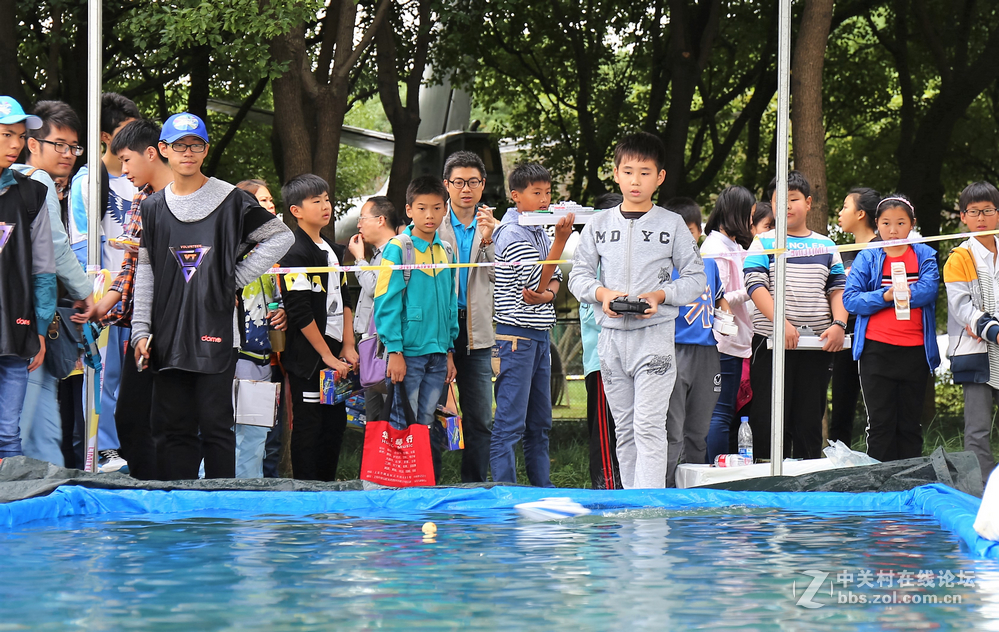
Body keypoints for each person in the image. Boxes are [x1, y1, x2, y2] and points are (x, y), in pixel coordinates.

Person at [131, 112, 293, 480]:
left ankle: (220, 518)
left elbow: (282, 236)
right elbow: (146, 270)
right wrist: (141, 329)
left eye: (196, 145)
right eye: (179, 145)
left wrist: (232, 278)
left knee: (217, 428)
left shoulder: (232, 200)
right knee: (175, 430)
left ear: (205, 149)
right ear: (163, 151)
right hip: (167, 334)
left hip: (217, 332)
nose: (188, 152)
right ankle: (180, 519)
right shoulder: (153, 207)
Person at [569, 132, 706, 489]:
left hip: (655, 339)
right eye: (628, 171)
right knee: (625, 429)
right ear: (616, 173)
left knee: (648, 425)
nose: (635, 180)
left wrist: (661, 295)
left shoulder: (672, 224)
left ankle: (650, 506)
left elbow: (695, 278)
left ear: (659, 177)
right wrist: (602, 294)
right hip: (611, 341)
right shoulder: (597, 225)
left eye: (645, 172)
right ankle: (632, 506)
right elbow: (578, 277)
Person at [90, 119, 174, 480]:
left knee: (174, 419)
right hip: (143, 322)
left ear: (151, 153)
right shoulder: (141, 198)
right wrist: (104, 303)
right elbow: (131, 263)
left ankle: (179, 501)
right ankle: (150, 494)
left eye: (126, 160)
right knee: (131, 415)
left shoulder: (198, 196)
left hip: (181, 325)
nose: (123, 171)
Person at [743, 170, 847, 461]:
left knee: (809, 419)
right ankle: (766, 480)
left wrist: (839, 324)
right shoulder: (763, 242)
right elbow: (755, 285)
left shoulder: (826, 245)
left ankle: (808, 483)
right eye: (779, 201)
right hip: (771, 344)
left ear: (809, 202)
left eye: (794, 199)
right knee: (768, 415)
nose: (787, 206)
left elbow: (838, 288)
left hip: (816, 347)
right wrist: (781, 325)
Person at [13, 100, 95, 467]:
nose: (68, 154)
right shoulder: (36, 180)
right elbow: (56, 250)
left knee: (46, 429)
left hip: (31, 317)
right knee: (23, 429)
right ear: (33, 144)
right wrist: (87, 293)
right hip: (25, 321)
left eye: (74, 146)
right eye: (58, 144)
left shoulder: (15, 180)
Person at [68, 92, 141, 473]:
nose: (131, 144)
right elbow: (81, 246)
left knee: (131, 377)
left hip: (136, 295)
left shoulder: (141, 178)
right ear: (103, 137)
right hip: (105, 295)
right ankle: (105, 447)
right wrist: (93, 299)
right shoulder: (88, 182)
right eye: (123, 134)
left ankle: (128, 443)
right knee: (103, 374)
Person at [490, 163, 573, 487]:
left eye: (548, 192)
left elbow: (553, 281)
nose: (544, 199)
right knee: (510, 423)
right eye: (536, 193)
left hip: (539, 335)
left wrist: (547, 294)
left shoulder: (538, 228)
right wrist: (560, 244)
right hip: (515, 338)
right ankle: (506, 492)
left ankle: (542, 489)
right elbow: (536, 281)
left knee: (540, 422)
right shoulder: (511, 233)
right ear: (516, 196)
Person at [843, 194, 939, 462]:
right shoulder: (868, 257)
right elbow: (850, 299)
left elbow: (929, 290)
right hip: (876, 352)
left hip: (915, 352)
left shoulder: (925, 255)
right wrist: (884, 296)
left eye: (900, 223)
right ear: (877, 225)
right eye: (886, 223)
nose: (893, 230)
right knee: (881, 425)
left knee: (910, 425)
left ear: (912, 224)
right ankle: (880, 489)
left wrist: (903, 292)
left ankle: (910, 485)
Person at [374, 176, 458, 481]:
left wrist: (449, 349)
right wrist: (394, 349)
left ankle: (418, 482)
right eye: (422, 208)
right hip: (407, 355)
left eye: (437, 208)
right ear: (409, 210)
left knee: (424, 422)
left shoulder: (446, 251)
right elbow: (385, 300)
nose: (430, 215)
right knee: (401, 421)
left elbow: (451, 302)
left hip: (438, 355)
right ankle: (396, 486)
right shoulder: (398, 248)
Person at [279, 174, 358, 481]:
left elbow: (346, 298)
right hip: (310, 360)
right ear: (296, 210)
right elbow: (299, 311)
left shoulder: (332, 250)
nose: (326, 206)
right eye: (316, 201)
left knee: (334, 424)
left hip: (337, 354)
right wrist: (326, 355)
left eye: (327, 199)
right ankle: (306, 494)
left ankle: (327, 490)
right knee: (309, 425)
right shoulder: (294, 251)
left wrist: (348, 345)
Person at [0, 96, 56, 459]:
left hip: (15, 325)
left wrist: (41, 327)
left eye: (20, 136)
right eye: (7, 135)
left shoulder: (32, 192)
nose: (16, 145)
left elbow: (44, 267)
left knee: (8, 437)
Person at [436, 150, 497, 483]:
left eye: (473, 182)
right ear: (447, 185)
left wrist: (489, 237)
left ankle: (474, 486)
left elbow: (501, 277)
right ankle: (427, 484)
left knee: (479, 418)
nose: (466, 189)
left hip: (477, 330)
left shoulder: (493, 228)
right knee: (431, 412)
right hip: (437, 330)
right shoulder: (432, 225)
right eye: (458, 182)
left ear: (483, 185)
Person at [665, 197, 729, 486]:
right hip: (673, 350)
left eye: (692, 231)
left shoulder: (710, 265)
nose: (688, 238)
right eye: (681, 232)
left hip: (707, 352)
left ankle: (697, 488)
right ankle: (664, 488)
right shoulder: (662, 268)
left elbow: (720, 298)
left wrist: (726, 317)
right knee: (672, 429)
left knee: (699, 429)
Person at [944, 181, 999, 485]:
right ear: (963, 217)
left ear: (998, 214)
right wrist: (994, 330)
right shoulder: (958, 257)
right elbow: (961, 307)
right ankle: (981, 498)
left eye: (988, 211)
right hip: (975, 354)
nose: (981, 218)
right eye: (974, 212)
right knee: (977, 430)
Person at [231, 179, 287, 479]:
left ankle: (249, 507)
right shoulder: (232, 250)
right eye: (260, 202)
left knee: (255, 437)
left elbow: (278, 301)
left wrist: (283, 314)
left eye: (270, 203)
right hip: (234, 358)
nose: (268, 208)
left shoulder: (275, 258)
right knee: (226, 436)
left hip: (265, 360)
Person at [700, 185, 755, 463]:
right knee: (720, 412)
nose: (752, 223)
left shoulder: (731, 244)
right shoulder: (715, 247)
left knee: (725, 412)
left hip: (735, 340)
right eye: (750, 215)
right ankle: (715, 472)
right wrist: (754, 287)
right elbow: (715, 297)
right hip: (724, 341)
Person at [830, 187, 880, 447]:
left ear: (861, 214)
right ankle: (839, 466)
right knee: (841, 408)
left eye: (845, 207)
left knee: (876, 409)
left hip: (873, 339)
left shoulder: (881, 249)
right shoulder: (841, 251)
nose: (840, 213)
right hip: (843, 338)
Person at [580, 192, 623, 489]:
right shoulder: (593, 264)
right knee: (605, 433)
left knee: (626, 430)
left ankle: (626, 488)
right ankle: (605, 489)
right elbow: (590, 315)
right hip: (601, 361)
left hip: (631, 360)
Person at [347, 195, 399, 423]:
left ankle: (388, 457)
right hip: (370, 345)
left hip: (385, 347)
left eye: (362, 219)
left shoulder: (394, 251)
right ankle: (376, 457)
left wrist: (359, 259)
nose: (359, 225)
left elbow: (375, 290)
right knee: (374, 416)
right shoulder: (379, 253)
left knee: (386, 414)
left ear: (380, 220)